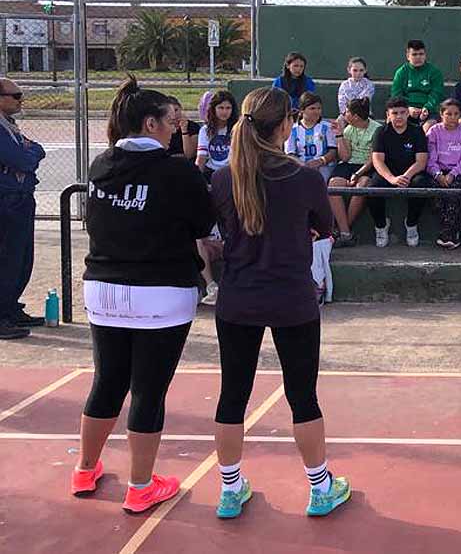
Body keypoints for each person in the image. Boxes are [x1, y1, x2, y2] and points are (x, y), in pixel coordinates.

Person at [72, 77, 215, 512]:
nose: (176, 128)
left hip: (103, 289)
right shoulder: (176, 171)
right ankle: (140, 486)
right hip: (160, 294)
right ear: (150, 123)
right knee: (148, 391)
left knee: (107, 381)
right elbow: (203, 226)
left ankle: (84, 467)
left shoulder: (101, 164)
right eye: (171, 121)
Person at [210, 86, 349, 519]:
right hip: (291, 298)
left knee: (232, 395)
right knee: (303, 396)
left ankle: (230, 489)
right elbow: (324, 227)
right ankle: (319, 487)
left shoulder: (222, 177)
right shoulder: (305, 178)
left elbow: (219, 232)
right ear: (285, 126)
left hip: (238, 299)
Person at [0, 78, 45, 339]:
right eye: (15, 95)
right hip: (7, 199)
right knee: (7, 258)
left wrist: (31, 152)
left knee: (23, 258)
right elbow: (19, 159)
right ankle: (2, 315)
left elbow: (36, 149)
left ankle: (11, 307)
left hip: (21, 197)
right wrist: (30, 154)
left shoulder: (10, 126)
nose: (20, 99)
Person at [367, 97, 433, 248]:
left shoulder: (417, 131)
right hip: (388, 173)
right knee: (371, 187)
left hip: (411, 172)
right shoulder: (381, 132)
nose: (399, 116)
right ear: (388, 115)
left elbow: (421, 162)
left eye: (403, 112)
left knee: (421, 184)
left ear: (408, 114)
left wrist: (406, 176)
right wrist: (391, 179)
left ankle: (411, 223)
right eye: (394, 113)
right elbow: (377, 160)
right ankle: (381, 225)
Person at [327, 98, 382, 248]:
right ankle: (346, 233)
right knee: (333, 186)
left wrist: (358, 174)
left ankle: (341, 231)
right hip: (349, 165)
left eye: (347, 112)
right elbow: (345, 157)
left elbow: (373, 158)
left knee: (362, 186)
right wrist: (339, 135)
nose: (344, 114)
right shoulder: (349, 129)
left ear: (355, 116)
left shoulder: (377, 129)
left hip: (367, 166)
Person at [426, 99, 461, 249]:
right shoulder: (434, 131)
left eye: (456, 114)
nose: (452, 117)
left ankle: (447, 234)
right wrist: (438, 175)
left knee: (454, 194)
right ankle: (450, 231)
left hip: (456, 172)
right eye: (448, 114)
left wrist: (452, 174)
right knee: (436, 195)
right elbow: (430, 158)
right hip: (437, 171)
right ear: (441, 114)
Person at [390, 39, 444, 132]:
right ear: (408, 56)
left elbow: (436, 94)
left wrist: (427, 108)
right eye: (414, 54)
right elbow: (396, 95)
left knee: (427, 129)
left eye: (421, 54)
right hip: (405, 110)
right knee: (391, 124)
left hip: (429, 112)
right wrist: (407, 108)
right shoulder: (401, 72)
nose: (418, 57)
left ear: (425, 55)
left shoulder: (434, 72)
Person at [287, 92, 339, 182]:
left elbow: (333, 151)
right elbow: (290, 154)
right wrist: (304, 166)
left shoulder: (327, 127)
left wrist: (320, 161)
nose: (316, 111)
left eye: (319, 108)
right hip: (300, 166)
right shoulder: (292, 129)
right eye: (312, 108)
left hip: (323, 166)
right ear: (302, 110)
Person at [196, 90, 238, 184]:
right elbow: (201, 158)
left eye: (228, 108)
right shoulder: (205, 130)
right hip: (211, 172)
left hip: (232, 173)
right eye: (220, 108)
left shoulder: (237, 129)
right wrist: (196, 179)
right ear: (214, 109)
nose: (224, 111)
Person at [165, 96, 201, 161]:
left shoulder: (193, 127)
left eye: (176, 110)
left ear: (181, 108)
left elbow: (189, 154)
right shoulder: (163, 127)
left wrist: (184, 130)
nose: (174, 114)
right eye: (170, 111)